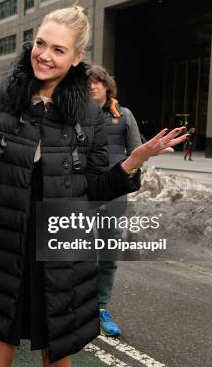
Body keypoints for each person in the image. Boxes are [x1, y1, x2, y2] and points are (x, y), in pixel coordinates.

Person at [0, 5, 187, 366]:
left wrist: (132, 161)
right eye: (41, 44)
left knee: (58, 341)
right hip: (2, 232)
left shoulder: (89, 115)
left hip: (61, 235)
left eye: (58, 50)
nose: (44, 56)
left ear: (77, 58)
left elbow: (94, 188)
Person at [87, 65, 142, 337]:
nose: (93, 86)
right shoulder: (76, 112)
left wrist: (132, 180)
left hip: (113, 192)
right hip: (82, 191)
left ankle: (101, 307)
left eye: (98, 82)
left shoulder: (124, 116)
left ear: (107, 86)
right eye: (89, 83)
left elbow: (135, 152)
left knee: (108, 252)